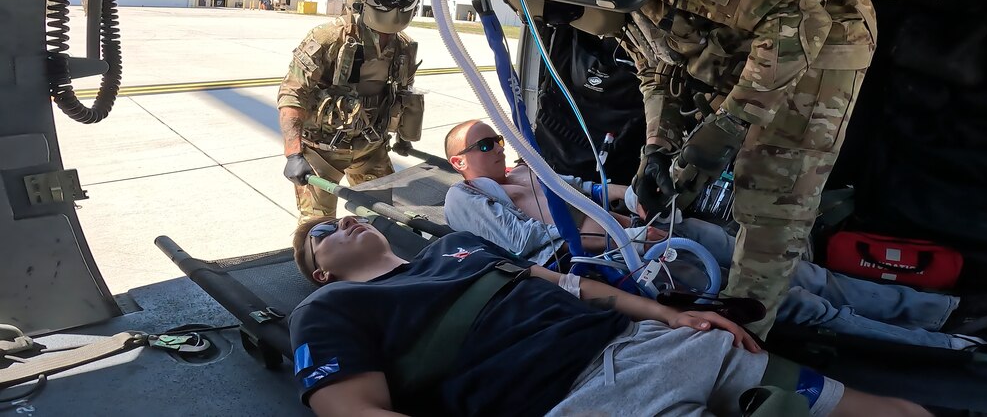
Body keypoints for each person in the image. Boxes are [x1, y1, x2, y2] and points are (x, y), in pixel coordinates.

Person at [441, 120, 987, 353]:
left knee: (792, 267)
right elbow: (533, 248)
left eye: (496, 139)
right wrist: (627, 238)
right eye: (483, 145)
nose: (497, 148)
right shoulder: (465, 198)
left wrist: (637, 197)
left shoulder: (530, 171)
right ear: (460, 162)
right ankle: (960, 344)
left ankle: (950, 309)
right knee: (793, 302)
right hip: (621, 264)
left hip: (647, 238)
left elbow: (589, 188)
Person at [289, 214, 935, 417]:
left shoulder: (456, 249)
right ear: (318, 269)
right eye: (323, 229)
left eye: (343, 212)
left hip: (659, 342)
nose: (341, 217)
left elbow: (572, 286)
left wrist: (672, 315)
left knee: (899, 413)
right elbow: (354, 413)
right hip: (587, 395)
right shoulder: (330, 307)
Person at [620, 0, 878, 338]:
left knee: (772, 194)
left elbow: (800, 21)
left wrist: (731, 123)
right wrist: (657, 148)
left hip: (826, 34)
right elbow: (655, 68)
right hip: (750, 44)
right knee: (683, 175)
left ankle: (741, 335)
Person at [277, 0, 425, 221]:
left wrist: (403, 136)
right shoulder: (328, 39)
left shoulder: (403, 46)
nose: (396, 9)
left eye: (406, 2)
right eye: (384, 0)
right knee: (317, 227)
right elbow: (292, 94)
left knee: (382, 220)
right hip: (321, 150)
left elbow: (402, 93)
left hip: (370, 146)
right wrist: (294, 153)